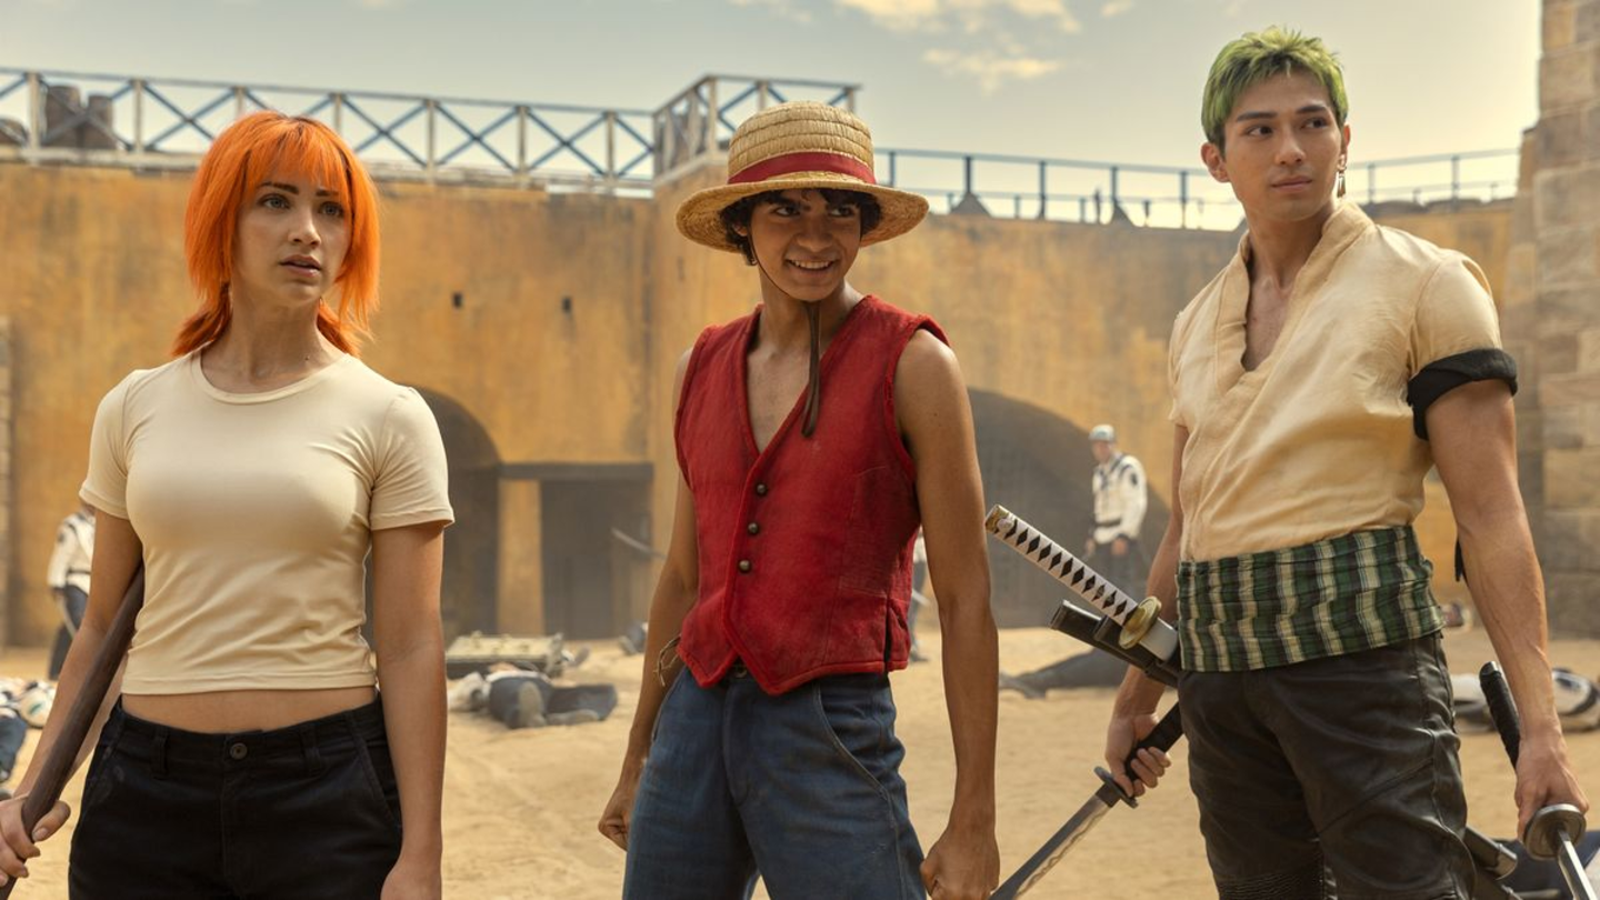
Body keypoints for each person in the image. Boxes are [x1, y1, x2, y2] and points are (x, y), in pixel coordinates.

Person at [1102, 27, 1588, 898]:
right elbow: (1187, 524)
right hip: (1222, 690)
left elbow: (1492, 515)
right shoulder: (1194, 323)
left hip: (1367, 675)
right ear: (1216, 160)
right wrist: (1136, 697)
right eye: (1259, 130)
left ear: (1345, 140)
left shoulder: (1429, 283)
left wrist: (1542, 729)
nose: (1291, 149)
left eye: (1312, 123)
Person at [0, 111, 454, 899]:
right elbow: (101, 625)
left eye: (332, 209)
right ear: (221, 221)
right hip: (143, 792)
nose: (307, 230)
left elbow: (412, 644)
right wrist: (32, 791)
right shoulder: (135, 406)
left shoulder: (389, 414)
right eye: (275, 201)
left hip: (325, 793)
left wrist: (422, 856)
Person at [598, 101, 1000, 900]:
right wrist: (639, 753)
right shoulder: (698, 366)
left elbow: (965, 598)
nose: (816, 238)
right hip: (692, 722)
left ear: (864, 225)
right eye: (785, 209)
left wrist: (974, 819)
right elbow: (683, 577)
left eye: (839, 211)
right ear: (741, 225)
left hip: (829, 725)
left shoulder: (915, 364)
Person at [1082, 424, 1147, 594]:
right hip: (1102, 536)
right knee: (1102, 589)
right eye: (1097, 445)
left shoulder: (1126, 468)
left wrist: (1124, 535)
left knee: (1122, 587)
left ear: (1114, 444)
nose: (1101, 449)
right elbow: (1099, 507)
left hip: (1120, 535)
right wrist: (1092, 535)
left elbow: (1135, 503)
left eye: (1105, 444)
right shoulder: (1099, 472)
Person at [44, 502, 95, 680]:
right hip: (75, 582)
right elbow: (62, 556)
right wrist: (56, 583)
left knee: (68, 627)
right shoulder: (73, 525)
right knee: (79, 626)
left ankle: (56, 669)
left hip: (92, 582)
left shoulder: (97, 525)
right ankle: (85, 670)